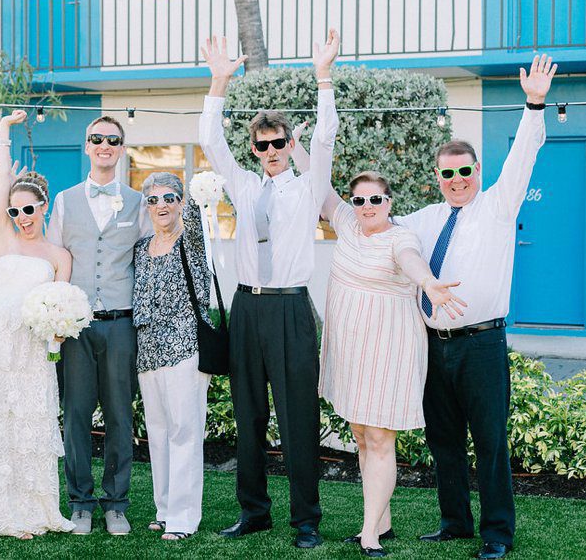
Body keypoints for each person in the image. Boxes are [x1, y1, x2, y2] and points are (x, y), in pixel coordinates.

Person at [395, 55, 557, 560]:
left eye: (465, 171)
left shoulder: (497, 205)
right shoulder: (424, 218)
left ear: (476, 171)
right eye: (448, 173)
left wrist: (533, 104)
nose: (457, 179)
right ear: (437, 176)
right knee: (443, 440)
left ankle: (497, 534)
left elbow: (524, 158)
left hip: (482, 345)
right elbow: (381, 232)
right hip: (434, 347)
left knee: (489, 442)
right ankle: (454, 522)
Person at [198, 32, 340, 547]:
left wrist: (322, 76)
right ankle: (254, 511)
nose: (273, 151)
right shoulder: (243, 183)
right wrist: (218, 83)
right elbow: (211, 142)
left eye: (280, 143)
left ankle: (306, 520)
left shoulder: (309, 186)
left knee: (298, 417)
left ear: (288, 145)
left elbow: (325, 138)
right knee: (248, 415)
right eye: (264, 145)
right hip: (248, 310)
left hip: (291, 309)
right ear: (254, 149)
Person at [317, 171, 466, 557]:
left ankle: (369, 533)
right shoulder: (347, 223)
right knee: (363, 435)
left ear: (390, 203)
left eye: (376, 200)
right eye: (360, 201)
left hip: (389, 349)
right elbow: (319, 183)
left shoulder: (401, 237)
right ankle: (381, 520)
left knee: (381, 438)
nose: (367, 207)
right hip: (351, 351)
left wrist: (429, 282)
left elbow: (411, 261)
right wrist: (301, 145)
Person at [0, 109, 75, 538]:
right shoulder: (3, 236)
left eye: (29, 209)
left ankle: (45, 510)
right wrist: (4, 137)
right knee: (5, 430)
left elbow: (65, 307)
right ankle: (4, 517)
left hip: (34, 354)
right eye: (15, 210)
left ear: (43, 206)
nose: (22, 216)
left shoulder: (58, 256)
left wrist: (58, 330)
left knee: (35, 427)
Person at [47, 115, 150, 535]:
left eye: (113, 139)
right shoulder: (65, 201)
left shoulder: (139, 201)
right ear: (86, 146)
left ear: (121, 148)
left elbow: (151, 254)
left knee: (120, 417)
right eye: (97, 138)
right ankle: (80, 503)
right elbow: (53, 262)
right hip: (76, 326)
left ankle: (116, 503)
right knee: (75, 415)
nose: (104, 144)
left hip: (121, 325)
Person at [132, 172, 212, 541]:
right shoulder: (142, 247)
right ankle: (164, 509)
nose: (160, 205)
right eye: (153, 199)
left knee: (184, 432)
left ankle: (183, 518)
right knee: (160, 433)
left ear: (180, 202)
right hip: (148, 351)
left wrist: (200, 187)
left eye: (168, 198)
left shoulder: (192, 241)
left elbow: (197, 217)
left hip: (184, 348)